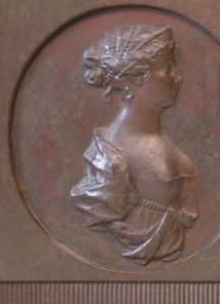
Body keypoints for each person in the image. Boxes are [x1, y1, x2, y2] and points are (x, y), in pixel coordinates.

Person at [70, 25, 198, 265]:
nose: (177, 76)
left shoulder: (161, 142)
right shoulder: (111, 159)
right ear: (135, 82)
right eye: (168, 69)